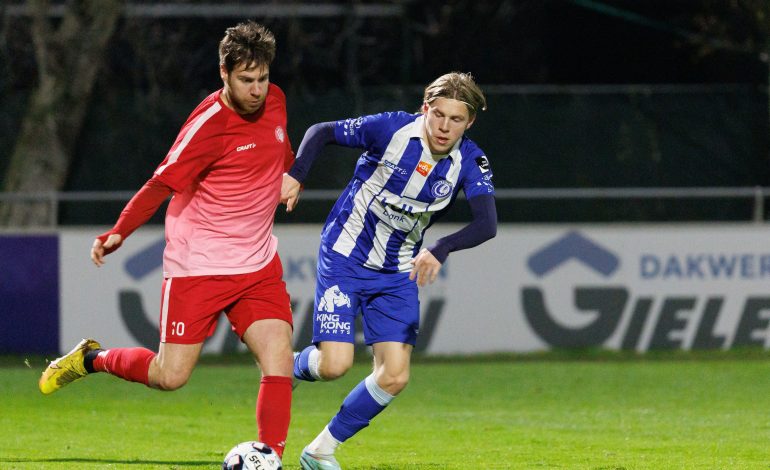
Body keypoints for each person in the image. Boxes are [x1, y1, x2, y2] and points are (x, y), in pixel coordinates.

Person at [38, 21, 295, 461]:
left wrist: (292, 175)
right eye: (246, 80)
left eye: (263, 78)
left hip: (256, 267)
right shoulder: (208, 127)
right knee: (169, 376)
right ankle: (92, 358)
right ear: (224, 74)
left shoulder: (276, 102)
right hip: (199, 267)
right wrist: (120, 230)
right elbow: (160, 184)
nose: (257, 90)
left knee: (279, 361)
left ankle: (268, 456)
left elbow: (279, 148)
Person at [281, 72, 497, 470]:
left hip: (397, 272)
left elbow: (487, 224)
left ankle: (320, 450)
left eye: (456, 119)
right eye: (438, 115)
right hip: (345, 256)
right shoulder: (391, 129)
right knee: (334, 366)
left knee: (395, 376)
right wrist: (295, 175)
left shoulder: (470, 161)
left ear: (470, 123)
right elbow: (321, 131)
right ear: (425, 109)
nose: (445, 127)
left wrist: (441, 247)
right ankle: (285, 365)